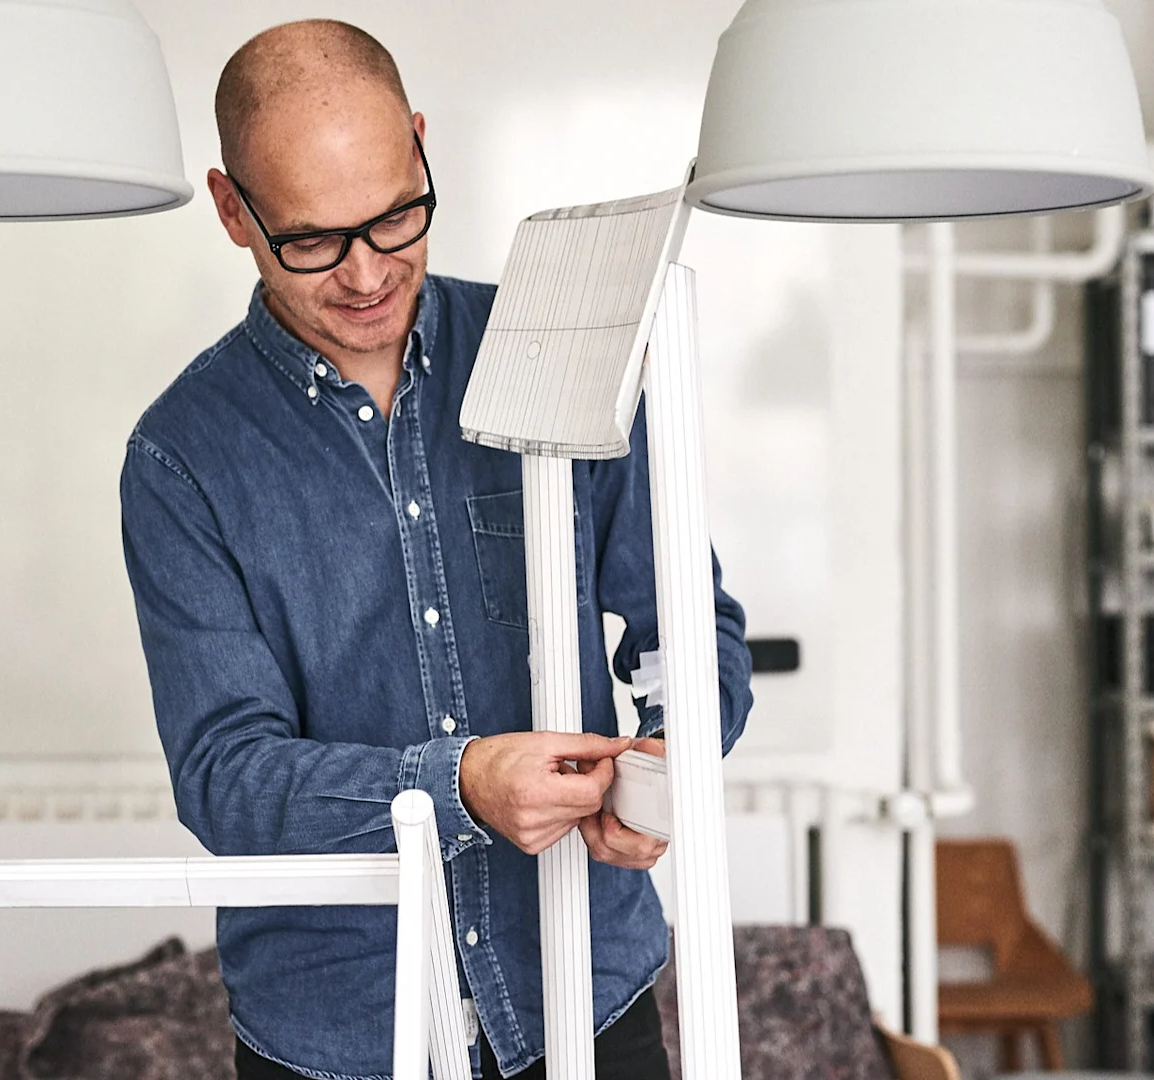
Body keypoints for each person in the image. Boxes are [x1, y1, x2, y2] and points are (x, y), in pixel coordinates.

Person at [118, 19, 753, 1080]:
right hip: (338, 1032)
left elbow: (689, 629)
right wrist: (453, 785)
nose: (367, 273)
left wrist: (666, 755)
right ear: (235, 211)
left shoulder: (563, 357)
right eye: (313, 240)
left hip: (588, 996)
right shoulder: (181, 458)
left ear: (421, 144)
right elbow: (225, 777)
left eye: (397, 216)